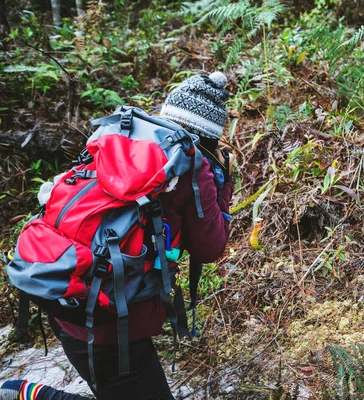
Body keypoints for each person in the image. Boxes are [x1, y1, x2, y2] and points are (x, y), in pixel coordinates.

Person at [0, 72, 234, 400]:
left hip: (64, 288)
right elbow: (211, 247)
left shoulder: (124, 138)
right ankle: (27, 394)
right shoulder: (193, 168)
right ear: (209, 136)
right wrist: (225, 184)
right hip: (109, 322)